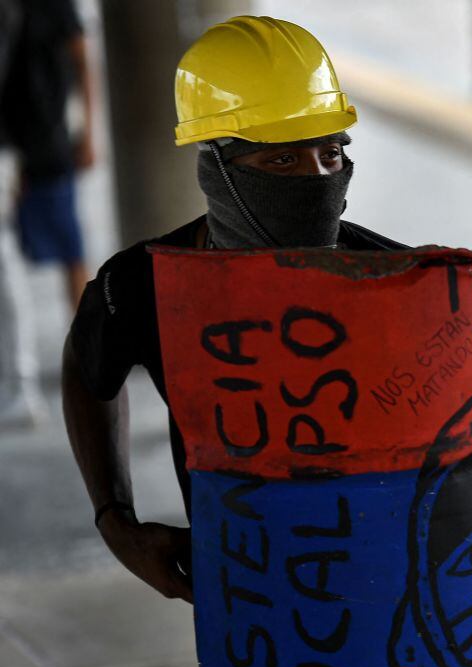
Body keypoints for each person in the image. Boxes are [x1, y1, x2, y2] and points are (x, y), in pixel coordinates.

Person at [62, 15, 403, 603]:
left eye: (329, 154)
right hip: (248, 606)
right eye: (281, 162)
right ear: (213, 166)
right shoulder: (146, 284)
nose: (317, 179)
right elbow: (87, 364)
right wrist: (115, 521)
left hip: (389, 592)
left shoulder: (395, 281)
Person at [0, 0, 93, 427]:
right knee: (8, 262)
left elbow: (81, 60)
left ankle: (88, 355)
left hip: (48, 140)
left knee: (69, 248)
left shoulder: (54, 5)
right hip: (8, 147)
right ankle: (22, 383)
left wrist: (88, 131)